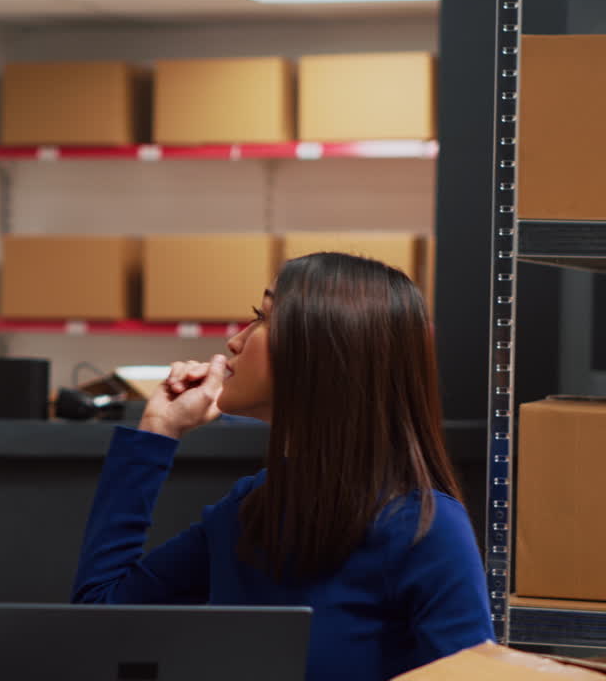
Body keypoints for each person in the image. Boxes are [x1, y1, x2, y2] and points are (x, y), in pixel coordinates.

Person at [72, 252, 493, 680]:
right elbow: (100, 616)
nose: (235, 341)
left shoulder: (424, 528)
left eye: (262, 318)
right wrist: (157, 430)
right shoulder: (252, 509)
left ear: (322, 350)